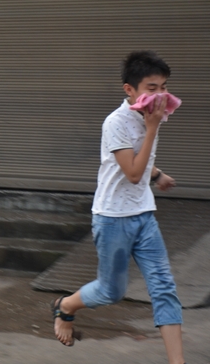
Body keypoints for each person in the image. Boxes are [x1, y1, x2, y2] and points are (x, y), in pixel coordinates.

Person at [52, 51, 185, 364]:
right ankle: (65, 307)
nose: (160, 95)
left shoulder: (149, 115)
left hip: (144, 215)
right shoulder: (116, 122)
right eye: (151, 88)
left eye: (164, 87)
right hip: (112, 219)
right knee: (111, 292)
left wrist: (158, 175)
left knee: (164, 288)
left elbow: (140, 162)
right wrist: (152, 129)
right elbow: (133, 172)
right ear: (130, 89)